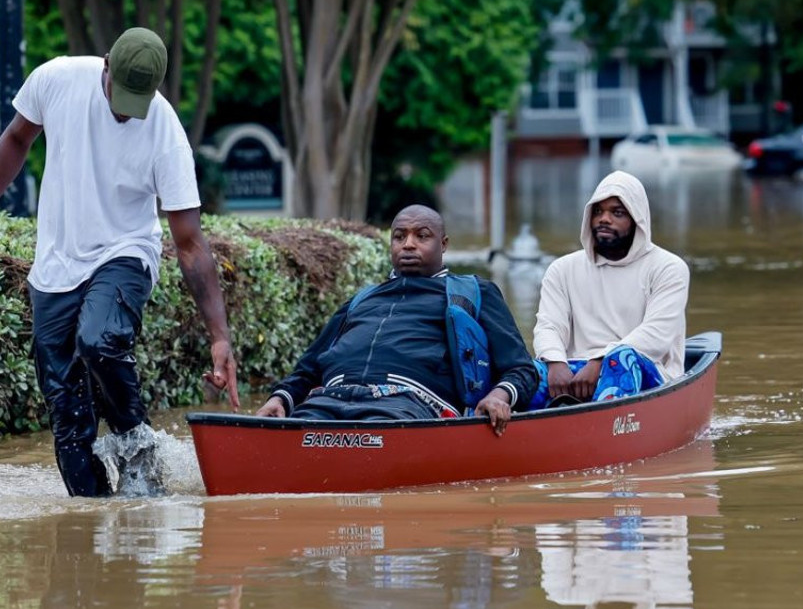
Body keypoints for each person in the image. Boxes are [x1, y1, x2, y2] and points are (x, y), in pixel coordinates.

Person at [0, 27, 239, 498]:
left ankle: (139, 454)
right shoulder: (57, 79)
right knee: (67, 419)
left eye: (137, 101)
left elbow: (189, 242)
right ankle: (92, 521)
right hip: (55, 266)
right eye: (119, 95)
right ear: (105, 65)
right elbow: (16, 139)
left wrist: (219, 337)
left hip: (125, 252)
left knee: (98, 339)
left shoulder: (166, 132)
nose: (125, 111)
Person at [253, 205, 538, 436]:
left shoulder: (473, 292)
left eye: (422, 236)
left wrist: (499, 397)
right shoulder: (361, 299)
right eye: (399, 237)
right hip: (327, 402)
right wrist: (279, 399)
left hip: (408, 408)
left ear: (443, 244)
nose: (408, 245)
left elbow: (521, 369)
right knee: (293, 435)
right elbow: (307, 370)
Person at [531, 170, 689, 408]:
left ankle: (601, 425)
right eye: (598, 211)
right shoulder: (562, 269)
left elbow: (656, 336)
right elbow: (548, 326)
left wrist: (600, 361)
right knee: (526, 371)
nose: (604, 219)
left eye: (617, 212)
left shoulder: (668, 268)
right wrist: (555, 362)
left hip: (647, 372)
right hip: (576, 371)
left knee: (620, 358)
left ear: (637, 220)